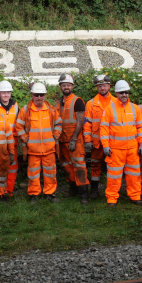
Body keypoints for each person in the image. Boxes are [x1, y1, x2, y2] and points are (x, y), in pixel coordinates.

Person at [100, 80, 142, 207]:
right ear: (116, 93)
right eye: (121, 93)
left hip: (132, 149)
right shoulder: (109, 109)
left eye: (126, 92)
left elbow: (140, 127)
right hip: (115, 150)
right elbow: (104, 128)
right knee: (114, 176)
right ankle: (112, 199)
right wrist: (105, 145)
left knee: (134, 175)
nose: (124, 95)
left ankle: (135, 197)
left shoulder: (135, 108)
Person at [16, 83, 62, 203]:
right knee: (33, 174)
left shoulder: (51, 110)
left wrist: (56, 135)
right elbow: (18, 126)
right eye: (36, 95)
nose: (39, 97)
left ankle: (50, 193)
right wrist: (25, 138)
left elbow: (59, 124)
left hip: (49, 149)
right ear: (32, 95)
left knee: (50, 173)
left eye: (41, 95)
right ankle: (34, 195)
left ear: (45, 95)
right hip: (32, 150)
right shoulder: (25, 110)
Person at [56, 74, 89, 205]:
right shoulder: (58, 102)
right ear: (60, 87)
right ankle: (73, 189)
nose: (66, 87)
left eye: (68, 85)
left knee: (79, 166)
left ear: (72, 86)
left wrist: (74, 139)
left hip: (75, 140)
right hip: (62, 140)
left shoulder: (77, 101)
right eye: (64, 85)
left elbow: (80, 122)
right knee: (66, 165)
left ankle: (84, 194)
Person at [84, 74, 114, 200]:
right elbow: (87, 124)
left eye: (104, 85)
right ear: (97, 87)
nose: (102, 88)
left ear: (109, 86)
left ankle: (112, 191)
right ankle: (94, 190)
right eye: (100, 86)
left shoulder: (116, 102)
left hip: (112, 142)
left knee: (112, 167)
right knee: (95, 166)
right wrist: (87, 140)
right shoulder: (91, 104)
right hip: (96, 143)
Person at [0, 80, 19, 196]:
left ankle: (8, 191)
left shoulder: (16, 106)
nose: (6, 95)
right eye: (3, 92)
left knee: (12, 168)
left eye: (8, 92)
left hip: (13, 143)